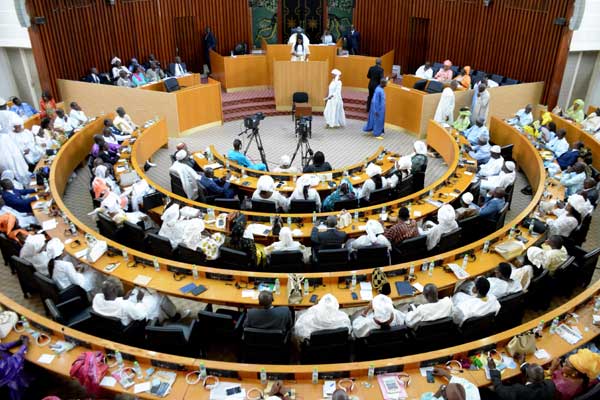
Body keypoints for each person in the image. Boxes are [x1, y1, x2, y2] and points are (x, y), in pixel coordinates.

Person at [487, 357, 555, 400]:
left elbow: (500, 390)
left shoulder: (520, 391)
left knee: (491, 388)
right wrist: (523, 363)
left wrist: (493, 369)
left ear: (526, 376)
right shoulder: (550, 385)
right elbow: (535, 374)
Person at [0, 101, 34, 184]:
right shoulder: (10, 114)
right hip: (10, 140)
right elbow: (19, 125)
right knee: (18, 163)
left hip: (6, 144)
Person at [0, 335, 30, 400]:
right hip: (12, 383)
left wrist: (17, 342)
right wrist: (25, 345)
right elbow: (16, 360)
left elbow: (1, 347)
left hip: (12, 368)